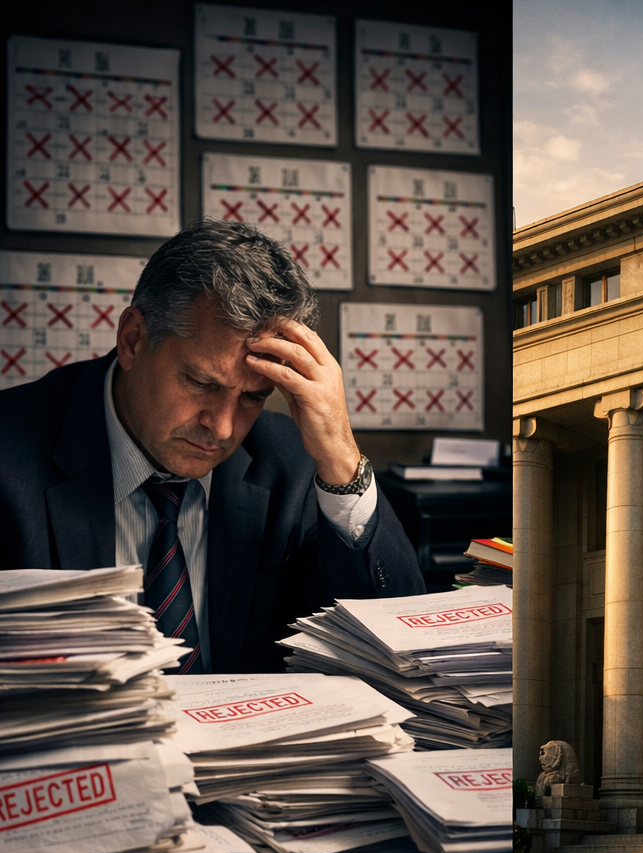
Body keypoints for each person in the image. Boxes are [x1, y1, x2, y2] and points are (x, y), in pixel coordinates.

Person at [0, 219, 424, 672]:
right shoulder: (11, 452)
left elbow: (400, 648)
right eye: (201, 383)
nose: (222, 428)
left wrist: (341, 457)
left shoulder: (293, 462)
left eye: (253, 397)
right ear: (133, 340)